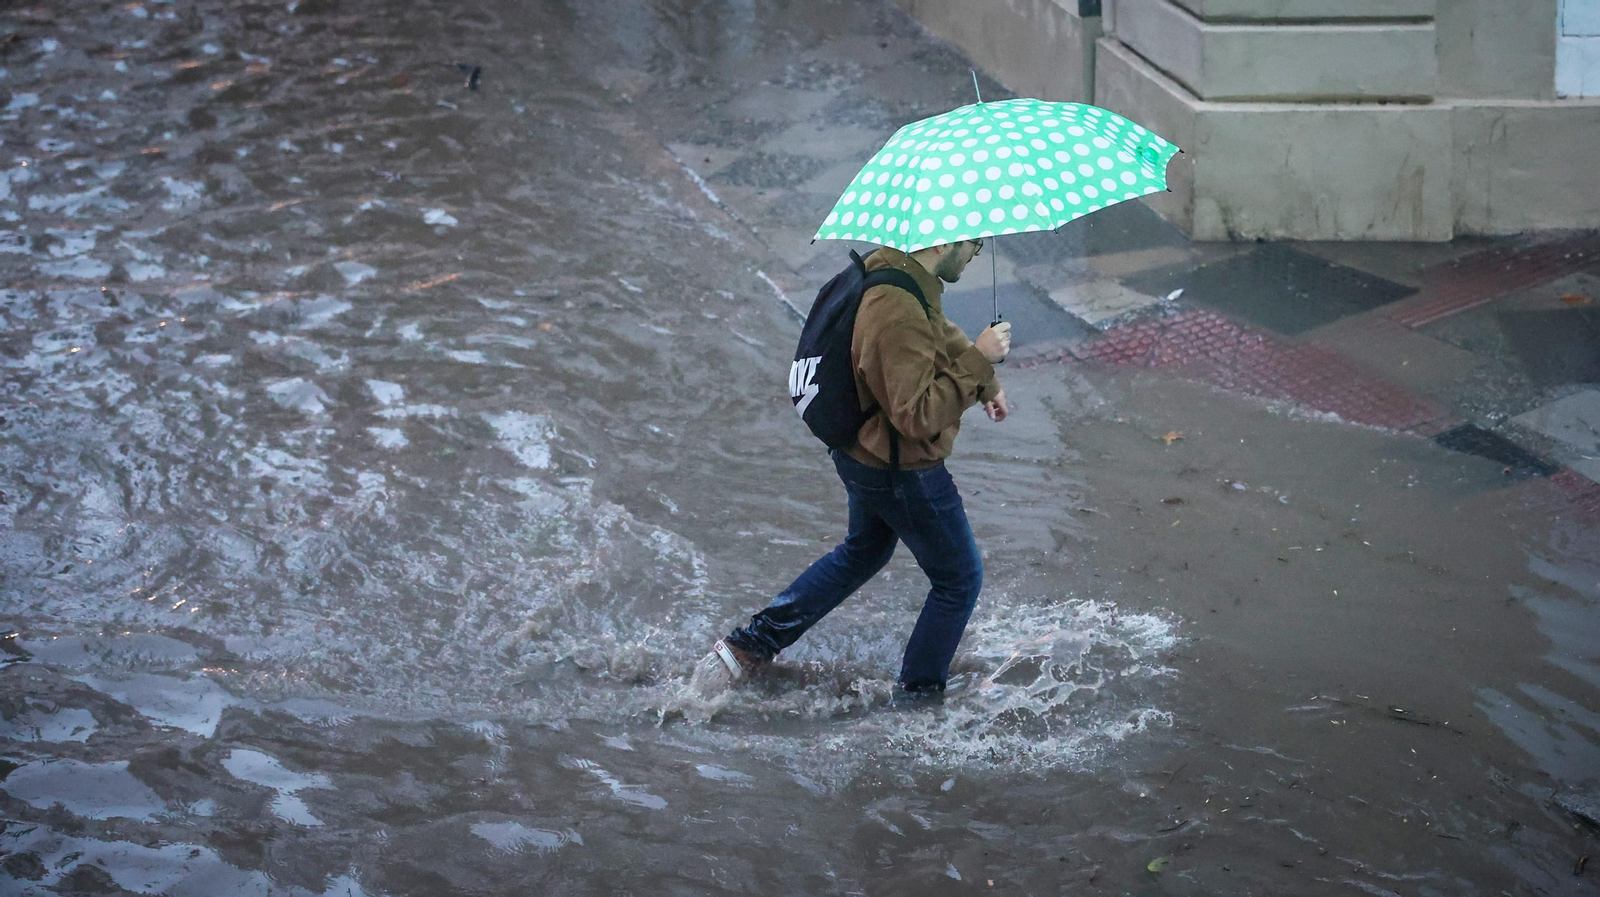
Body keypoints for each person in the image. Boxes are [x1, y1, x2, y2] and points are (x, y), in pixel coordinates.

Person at [694, 238, 1012, 699]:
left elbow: (935, 329)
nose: (979, 252)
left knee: (863, 551)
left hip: (863, 454)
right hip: (902, 470)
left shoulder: (896, 269)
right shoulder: (896, 309)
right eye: (976, 242)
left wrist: (986, 381)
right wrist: (978, 360)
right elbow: (917, 415)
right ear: (946, 240)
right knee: (958, 580)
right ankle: (919, 702)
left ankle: (747, 647)